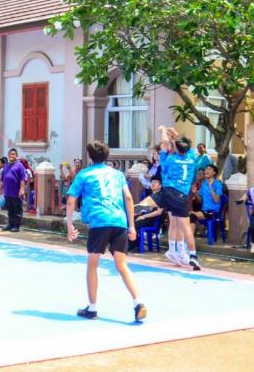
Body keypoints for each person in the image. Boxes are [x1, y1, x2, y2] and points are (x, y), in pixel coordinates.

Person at [66, 140, 147, 322]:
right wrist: (131, 225)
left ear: (89, 156)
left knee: (92, 265)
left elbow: (71, 200)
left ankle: (92, 308)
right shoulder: (117, 174)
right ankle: (138, 302)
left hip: (99, 221)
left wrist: (70, 224)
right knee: (122, 266)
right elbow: (128, 197)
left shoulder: (84, 174)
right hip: (119, 221)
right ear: (107, 156)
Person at [157, 125, 201, 270]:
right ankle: (192, 255)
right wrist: (175, 134)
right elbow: (184, 145)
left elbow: (164, 143)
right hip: (181, 194)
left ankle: (174, 250)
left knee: (174, 222)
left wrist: (163, 131)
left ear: (176, 147)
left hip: (168, 191)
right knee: (185, 226)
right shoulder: (192, 157)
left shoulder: (169, 159)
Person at [190, 165, 223, 236]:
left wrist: (211, 187)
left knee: (192, 215)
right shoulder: (204, 184)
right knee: (190, 215)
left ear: (214, 173)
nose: (206, 170)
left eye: (209, 169)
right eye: (206, 169)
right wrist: (195, 193)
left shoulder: (218, 184)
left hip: (214, 211)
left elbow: (216, 200)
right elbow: (200, 201)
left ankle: (196, 233)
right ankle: (191, 237)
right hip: (204, 211)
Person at [1, 148, 27, 232]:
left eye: (13, 154)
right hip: (7, 191)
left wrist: (22, 189)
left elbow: (22, 179)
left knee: (17, 209)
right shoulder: (6, 165)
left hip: (16, 192)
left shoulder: (20, 165)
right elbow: (2, 178)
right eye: (10, 154)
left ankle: (16, 226)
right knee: (10, 209)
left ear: (16, 156)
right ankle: (10, 224)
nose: (11, 155)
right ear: (8, 155)